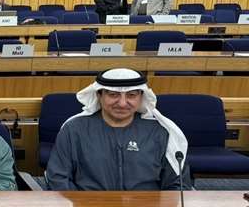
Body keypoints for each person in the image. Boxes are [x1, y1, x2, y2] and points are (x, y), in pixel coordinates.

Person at [45, 68, 193, 191]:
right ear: (99, 95)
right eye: (113, 95)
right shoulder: (74, 130)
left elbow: (177, 185)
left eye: (131, 95)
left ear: (141, 97)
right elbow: (58, 179)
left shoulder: (160, 132)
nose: (122, 103)